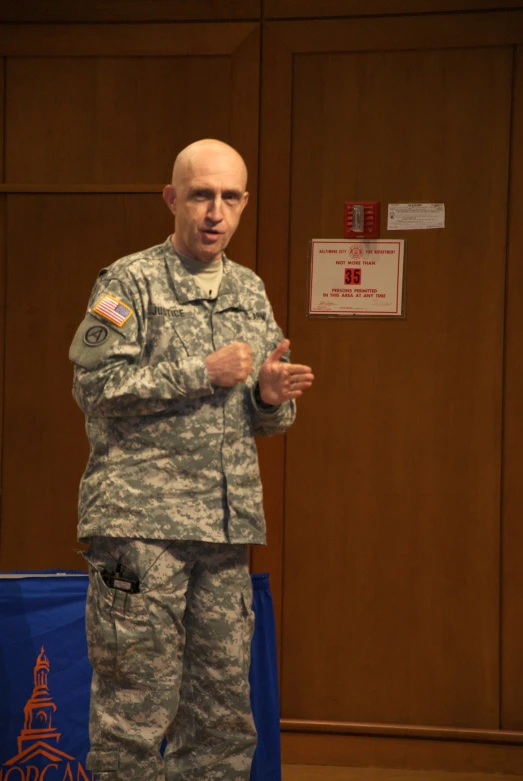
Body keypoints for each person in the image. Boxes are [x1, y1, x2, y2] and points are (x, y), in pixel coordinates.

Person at [69, 139, 314, 781]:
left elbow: (263, 420)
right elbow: (91, 386)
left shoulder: (249, 289)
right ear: (172, 199)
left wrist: (268, 397)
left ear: (244, 204)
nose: (215, 212)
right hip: (140, 529)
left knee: (223, 720)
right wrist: (197, 372)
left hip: (225, 534)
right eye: (202, 195)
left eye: (230, 197)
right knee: (134, 714)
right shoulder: (126, 282)